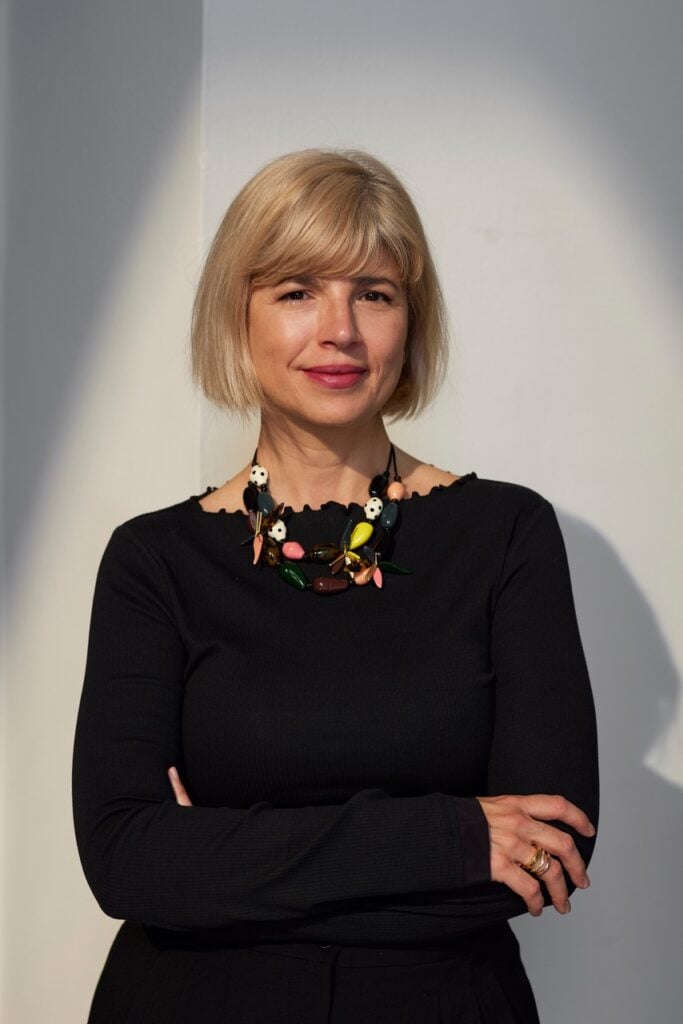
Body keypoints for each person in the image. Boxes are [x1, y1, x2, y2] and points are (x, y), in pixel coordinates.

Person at [72, 148, 599, 1023]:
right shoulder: (153, 562)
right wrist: (453, 835)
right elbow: (127, 859)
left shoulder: (506, 535)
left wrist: (225, 857)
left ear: (409, 322)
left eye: (375, 293)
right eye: (296, 291)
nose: (339, 330)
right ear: (236, 315)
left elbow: (548, 856)